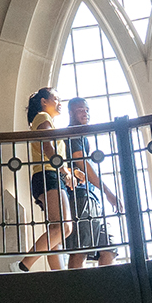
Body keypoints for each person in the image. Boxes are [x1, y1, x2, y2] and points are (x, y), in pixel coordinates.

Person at [14, 87, 79, 272]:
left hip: (45, 175)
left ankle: (58, 275)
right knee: (65, 227)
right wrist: (64, 173)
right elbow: (48, 148)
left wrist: (68, 171)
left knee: (56, 229)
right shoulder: (43, 117)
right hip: (49, 175)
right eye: (56, 99)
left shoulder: (43, 119)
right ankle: (23, 266)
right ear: (44, 101)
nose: (60, 103)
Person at [61, 97, 119, 269]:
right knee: (80, 248)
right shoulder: (73, 133)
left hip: (93, 198)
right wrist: (109, 192)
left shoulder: (81, 136)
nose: (85, 113)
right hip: (80, 197)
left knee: (109, 247)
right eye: (80, 110)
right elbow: (83, 165)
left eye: (86, 109)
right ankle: (77, 294)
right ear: (71, 112)